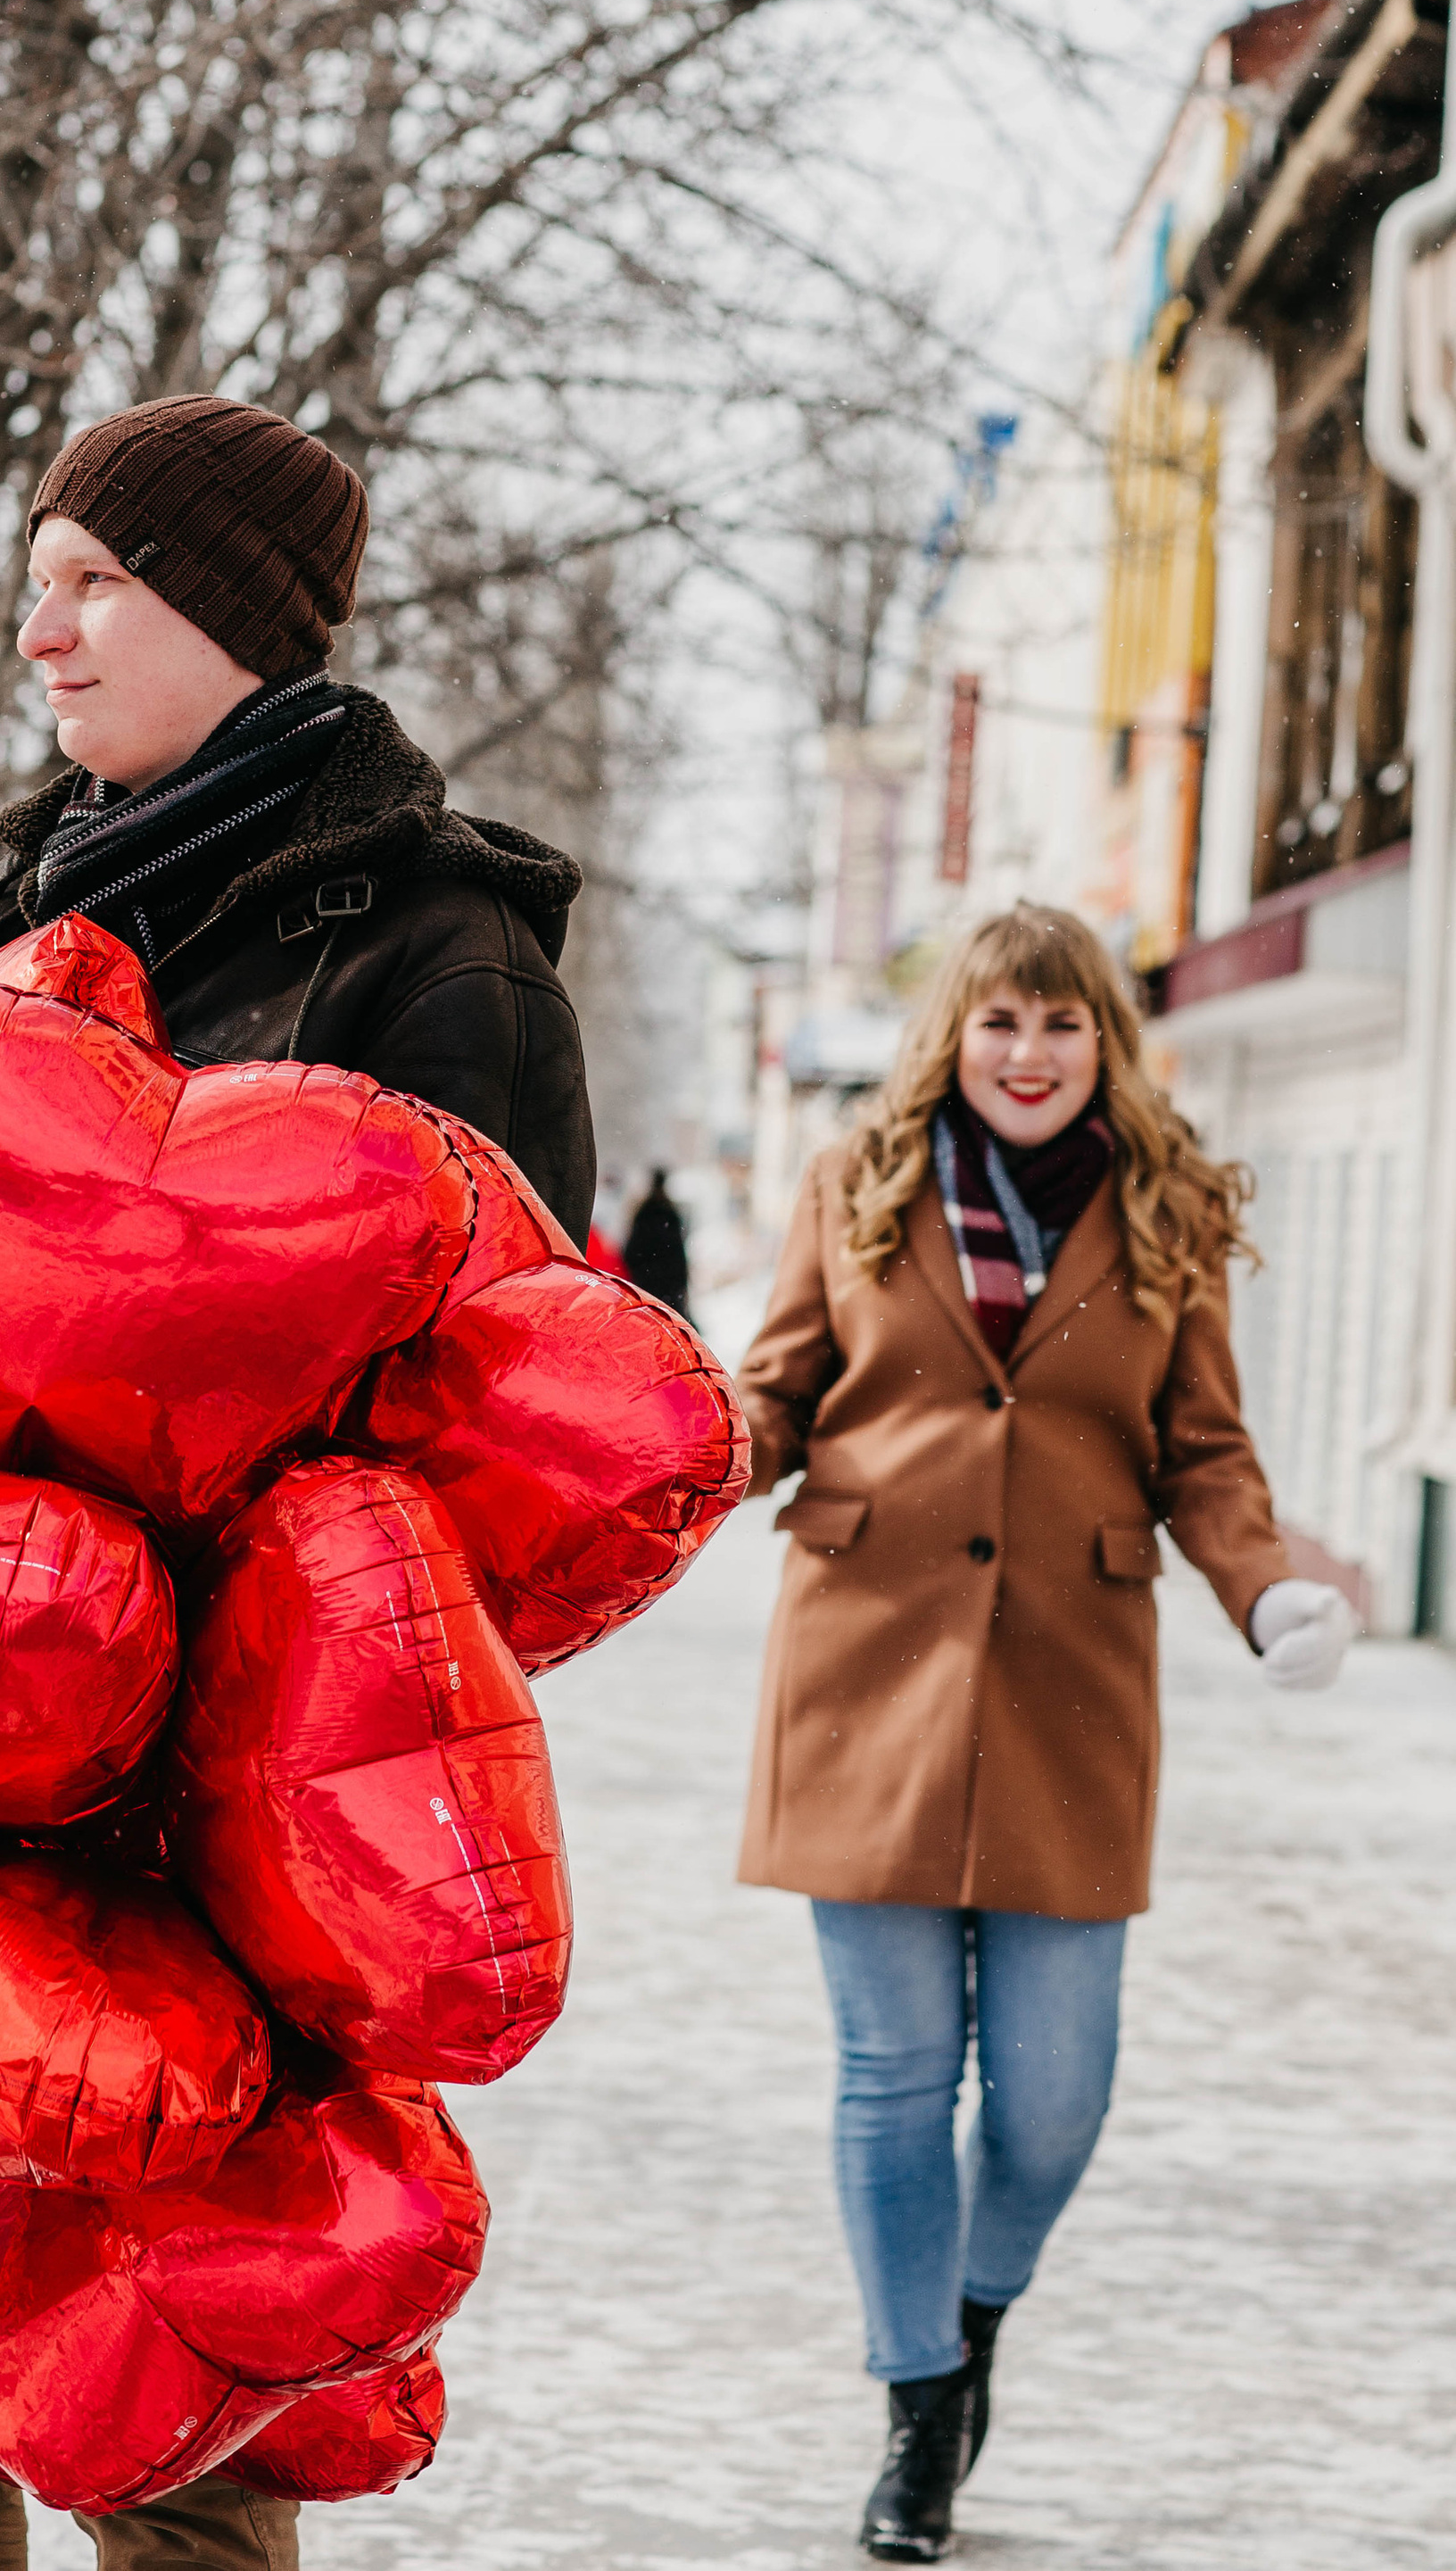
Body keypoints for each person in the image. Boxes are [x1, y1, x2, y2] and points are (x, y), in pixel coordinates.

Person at [0, 392, 598, 2571]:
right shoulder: (14, 898)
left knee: (164, 2416)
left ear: (232, 613)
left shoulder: (438, 950)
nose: (35, 634)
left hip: (224, 1784)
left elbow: (520, 1408)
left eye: (89, 584)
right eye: (33, 583)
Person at [732, 901, 1353, 2565]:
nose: (1029, 1056)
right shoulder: (858, 1179)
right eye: (1003, 1023)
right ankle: (919, 2414)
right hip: (866, 1668)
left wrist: (1266, 1589)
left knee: (1052, 2104)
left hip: (1076, 1680)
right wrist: (691, 1451)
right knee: (893, 2075)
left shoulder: (1167, 1209)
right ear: (960, 1031)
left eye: (1064, 1028)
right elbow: (778, 1392)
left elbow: (1205, 1454)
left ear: (1106, 1044)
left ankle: (973, 2313)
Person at [624, 1165, 691, 1311]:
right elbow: (678, 1253)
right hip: (668, 1286)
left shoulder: (644, 1213)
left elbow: (631, 1250)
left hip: (645, 1283)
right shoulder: (670, 1214)